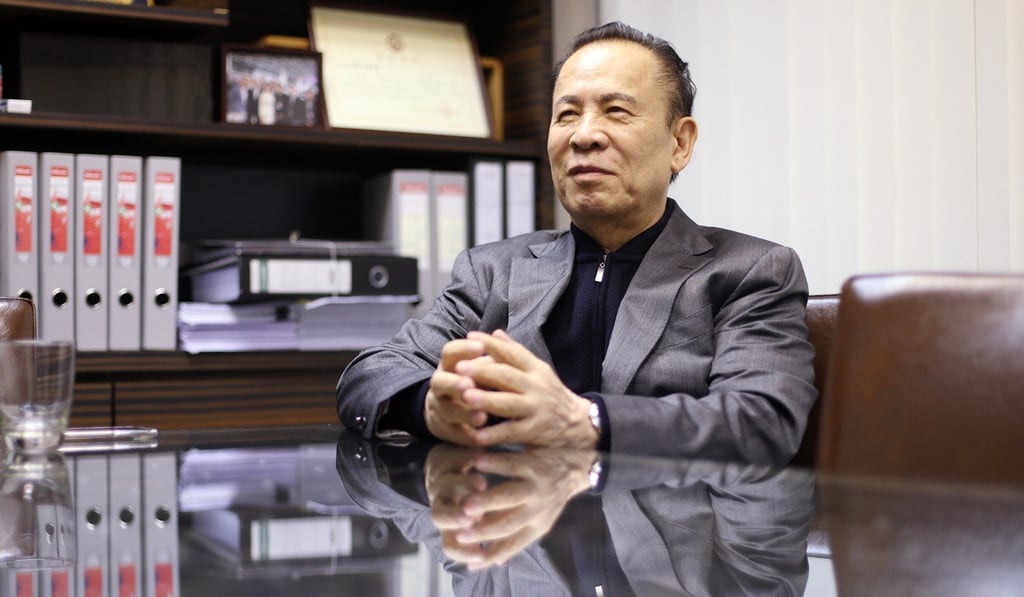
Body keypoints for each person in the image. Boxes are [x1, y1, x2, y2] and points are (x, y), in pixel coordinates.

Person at [336, 21, 816, 464]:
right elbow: (371, 374)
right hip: (519, 538)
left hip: (679, 546)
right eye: (566, 114)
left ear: (680, 143)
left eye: (616, 111)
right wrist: (429, 407)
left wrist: (585, 421)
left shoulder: (749, 272)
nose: (584, 136)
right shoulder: (493, 272)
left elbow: (761, 422)